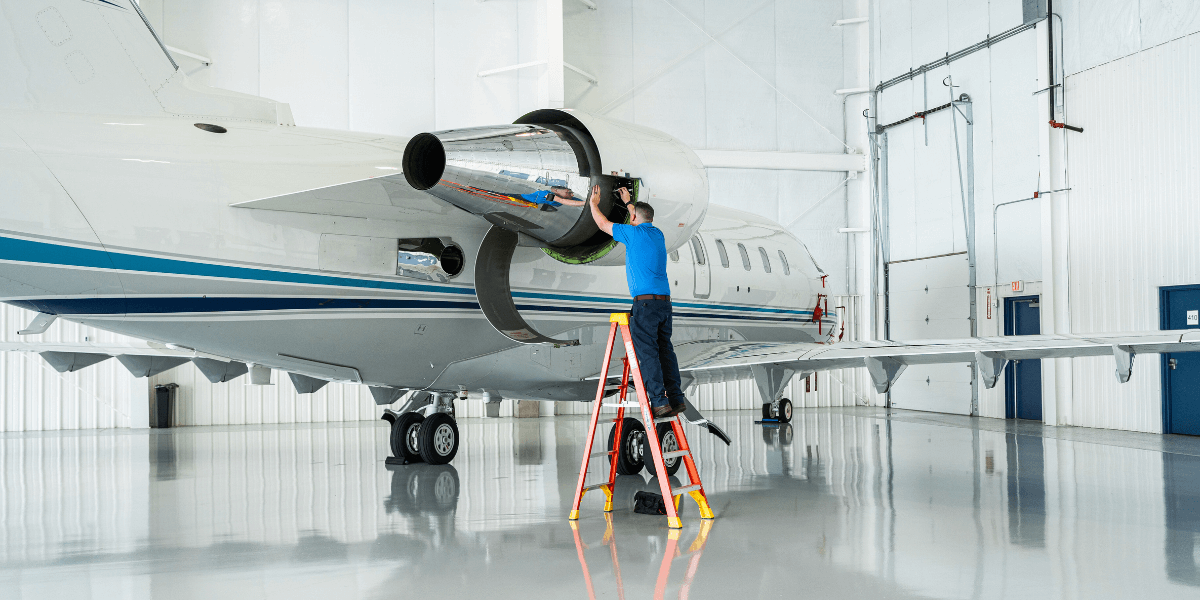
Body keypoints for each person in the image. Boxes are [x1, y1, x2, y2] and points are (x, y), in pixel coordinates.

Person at [589, 185, 686, 418]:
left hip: (645, 305)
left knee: (648, 353)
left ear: (633, 218)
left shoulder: (632, 234)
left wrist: (593, 203)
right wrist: (629, 202)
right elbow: (639, 216)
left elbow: (602, 224)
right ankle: (676, 398)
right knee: (665, 350)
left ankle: (659, 402)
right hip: (664, 303)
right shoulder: (657, 234)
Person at [519, 187, 586, 212]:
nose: (572, 195)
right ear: (557, 191)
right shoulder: (546, 193)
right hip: (520, 199)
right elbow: (562, 201)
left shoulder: (566, 197)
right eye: (569, 192)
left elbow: (581, 202)